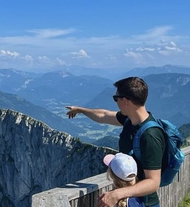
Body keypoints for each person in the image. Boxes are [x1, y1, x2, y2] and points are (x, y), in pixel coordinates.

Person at [66, 77, 166, 207]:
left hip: (144, 204)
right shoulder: (129, 120)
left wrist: (117, 194)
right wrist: (79, 110)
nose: (116, 102)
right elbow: (103, 115)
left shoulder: (150, 136)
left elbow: (153, 182)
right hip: (130, 201)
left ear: (125, 101)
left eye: (116, 98)